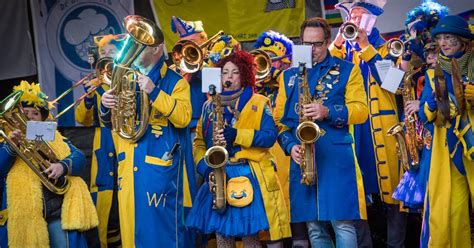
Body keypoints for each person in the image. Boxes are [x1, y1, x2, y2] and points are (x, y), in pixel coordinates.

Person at [274, 17, 368, 247]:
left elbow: (362, 111)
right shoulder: (288, 76)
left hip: (335, 156)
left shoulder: (348, 70)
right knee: (314, 228)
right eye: (305, 44)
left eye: (316, 44)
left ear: (327, 42)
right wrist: (289, 146)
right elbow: (279, 121)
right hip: (303, 156)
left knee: (342, 223)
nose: (311, 50)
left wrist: (328, 111)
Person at [99, 23, 196, 247]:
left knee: (160, 235)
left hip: (160, 170)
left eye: (140, 45)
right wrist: (106, 105)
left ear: (157, 48)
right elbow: (114, 125)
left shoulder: (176, 82)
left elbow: (183, 118)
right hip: (129, 167)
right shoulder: (127, 78)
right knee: (132, 234)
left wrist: (154, 91)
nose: (134, 49)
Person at [186, 50, 291, 248]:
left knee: (250, 237)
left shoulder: (259, 102)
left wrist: (237, 135)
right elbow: (199, 142)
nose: (229, 77)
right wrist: (205, 167)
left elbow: (269, 136)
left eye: (235, 72)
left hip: (248, 174)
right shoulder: (209, 106)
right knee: (222, 237)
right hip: (218, 175)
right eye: (225, 72)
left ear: (244, 75)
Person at [331, 1, 407, 246]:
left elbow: (392, 84)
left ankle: (395, 244)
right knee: (357, 193)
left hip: (384, 130)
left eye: (361, 14)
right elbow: (322, 71)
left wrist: (365, 47)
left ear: (373, 19)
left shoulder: (389, 48)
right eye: (352, 14)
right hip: (354, 129)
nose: (355, 19)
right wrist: (339, 42)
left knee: (395, 192)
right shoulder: (344, 52)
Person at [0, 81, 98, 247]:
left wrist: (62, 166)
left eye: (35, 113)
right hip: (22, 215)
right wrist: (11, 146)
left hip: (56, 212)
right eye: (25, 112)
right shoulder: (5, 141)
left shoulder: (55, 138)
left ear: (43, 119)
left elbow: (79, 157)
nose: (29, 117)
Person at [418, 15, 473, 248]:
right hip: (447, 148)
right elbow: (423, 115)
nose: (443, 43)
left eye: (448, 37)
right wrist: (431, 104)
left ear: (462, 40)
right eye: (440, 38)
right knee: (450, 210)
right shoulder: (433, 74)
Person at [75, 34, 123, 248]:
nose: (105, 57)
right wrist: (87, 99)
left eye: (110, 53)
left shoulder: (129, 80)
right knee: (107, 204)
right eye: (102, 53)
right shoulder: (94, 85)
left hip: (125, 139)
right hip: (103, 144)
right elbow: (81, 119)